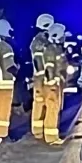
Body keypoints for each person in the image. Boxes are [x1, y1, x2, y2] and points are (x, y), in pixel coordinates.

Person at [36, 23, 69, 145]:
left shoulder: (56, 48)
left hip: (56, 83)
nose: (63, 37)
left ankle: (49, 134)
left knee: (54, 108)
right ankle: (51, 138)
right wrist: (52, 82)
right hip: (52, 85)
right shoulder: (51, 49)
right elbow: (49, 67)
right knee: (52, 109)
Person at [28, 13, 55, 141]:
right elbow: (41, 61)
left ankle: (38, 131)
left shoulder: (37, 41)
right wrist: (48, 77)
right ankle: (46, 134)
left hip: (39, 77)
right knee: (47, 103)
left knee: (39, 103)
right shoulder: (41, 42)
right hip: (43, 77)